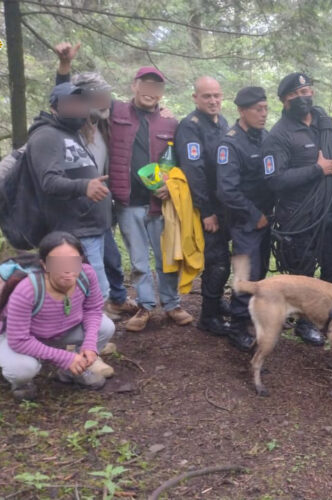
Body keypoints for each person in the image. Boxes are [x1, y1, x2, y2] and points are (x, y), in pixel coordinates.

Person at [53, 41, 139, 321]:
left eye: (106, 93)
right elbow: (62, 93)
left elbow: (133, 109)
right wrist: (64, 66)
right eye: (99, 94)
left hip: (101, 209)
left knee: (112, 259)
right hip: (79, 212)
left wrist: (159, 111)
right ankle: (92, 319)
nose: (106, 98)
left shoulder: (104, 122)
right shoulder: (73, 128)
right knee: (90, 266)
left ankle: (116, 300)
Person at [261, 72, 332, 346]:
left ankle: (328, 315)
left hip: (328, 214)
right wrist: (315, 169)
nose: (303, 97)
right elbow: (274, 180)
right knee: (304, 273)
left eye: (307, 91)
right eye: (296, 95)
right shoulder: (278, 136)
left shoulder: (323, 124)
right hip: (298, 218)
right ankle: (304, 322)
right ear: (285, 100)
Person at [108, 66, 193, 332]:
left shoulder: (171, 122)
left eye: (156, 87)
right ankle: (145, 306)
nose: (150, 92)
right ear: (134, 85)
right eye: (145, 85)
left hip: (161, 204)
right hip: (128, 202)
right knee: (138, 260)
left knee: (166, 257)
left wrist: (171, 186)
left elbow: (179, 162)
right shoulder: (115, 112)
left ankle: (172, 304)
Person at [22, 82, 112, 307]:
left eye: (81, 102)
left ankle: (91, 338)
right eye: (69, 103)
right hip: (74, 231)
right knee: (93, 293)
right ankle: (89, 340)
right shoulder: (46, 136)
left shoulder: (70, 133)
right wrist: (85, 186)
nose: (77, 107)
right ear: (54, 108)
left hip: (91, 227)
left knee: (93, 292)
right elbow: (49, 182)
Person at [0, 232, 116, 401]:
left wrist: (89, 345)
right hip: (23, 337)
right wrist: (64, 357)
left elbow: (93, 308)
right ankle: (21, 383)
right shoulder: (28, 290)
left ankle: (74, 370)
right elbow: (19, 339)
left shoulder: (86, 274)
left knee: (105, 327)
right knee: (22, 369)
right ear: (45, 265)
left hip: (61, 330)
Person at [175, 76, 237, 338]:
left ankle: (216, 302)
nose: (213, 101)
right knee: (217, 261)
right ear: (195, 98)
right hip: (207, 206)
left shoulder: (222, 123)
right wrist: (207, 211)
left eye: (217, 96)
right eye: (207, 96)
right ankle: (208, 316)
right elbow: (194, 170)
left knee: (224, 259)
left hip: (225, 205)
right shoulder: (190, 127)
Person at [217, 86, 274, 351]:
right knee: (245, 271)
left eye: (265, 108)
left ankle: (253, 314)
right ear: (241, 111)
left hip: (267, 217)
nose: (263, 114)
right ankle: (237, 325)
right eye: (257, 109)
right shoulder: (230, 143)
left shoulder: (266, 137)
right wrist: (254, 215)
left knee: (260, 271)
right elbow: (227, 190)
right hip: (244, 220)